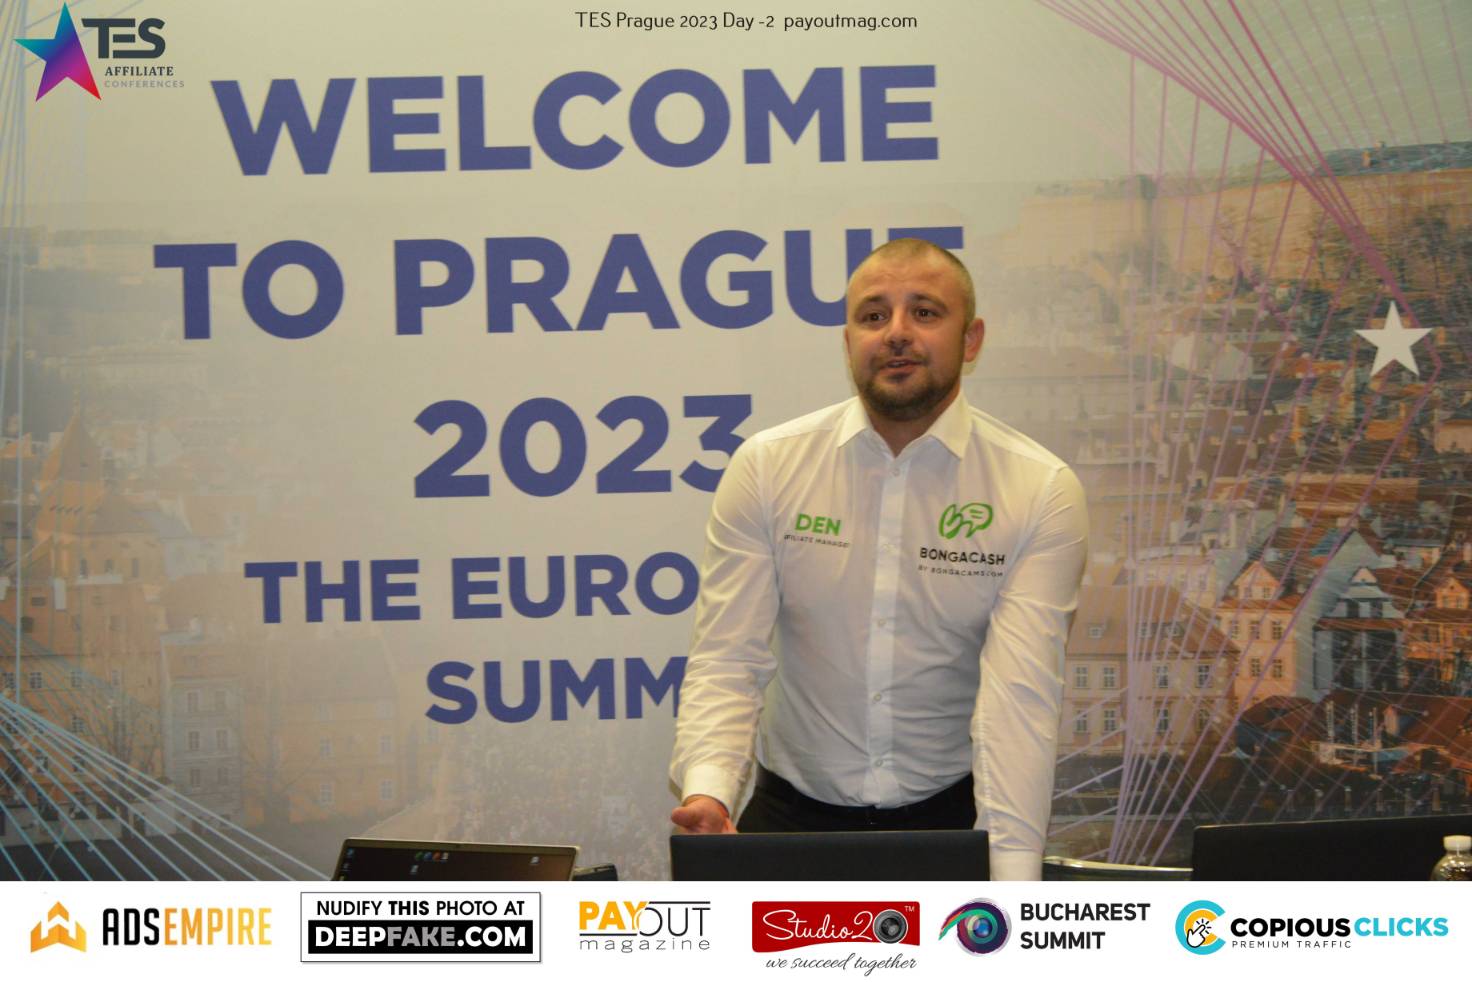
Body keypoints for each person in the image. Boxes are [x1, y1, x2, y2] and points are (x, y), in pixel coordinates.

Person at [668, 238, 1088, 880]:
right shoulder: (768, 467)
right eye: (873, 315)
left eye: (924, 312)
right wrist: (709, 789)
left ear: (971, 339)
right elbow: (728, 656)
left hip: (949, 822)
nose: (896, 332)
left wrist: (1012, 885)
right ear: (848, 342)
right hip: (787, 822)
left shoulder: (1038, 489)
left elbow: (1019, 704)